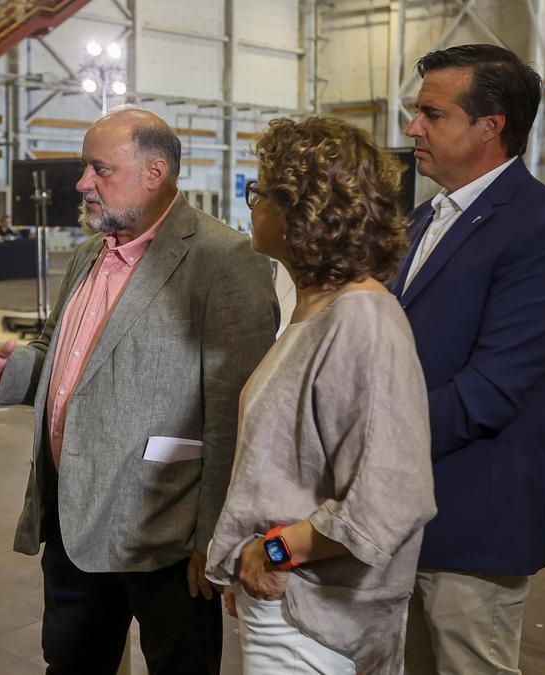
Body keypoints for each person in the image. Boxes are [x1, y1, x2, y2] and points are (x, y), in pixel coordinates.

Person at [0, 106, 279, 675]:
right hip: (73, 519)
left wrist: (212, 535)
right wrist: (12, 375)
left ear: (154, 172)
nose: (82, 183)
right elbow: (62, 356)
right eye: (84, 168)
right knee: (73, 663)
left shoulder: (223, 260)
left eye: (99, 169)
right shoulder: (86, 255)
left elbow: (234, 414)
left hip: (166, 532)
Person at [205, 116, 437, 675]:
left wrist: (274, 552)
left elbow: (391, 499)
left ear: (300, 210)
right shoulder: (319, 309)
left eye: (260, 191)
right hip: (291, 607)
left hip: (315, 615)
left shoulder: (362, 318)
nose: (252, 204)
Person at [395, 44, 545, 674]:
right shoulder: (423, 218)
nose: (412, 128)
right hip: (397, 516)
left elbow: (492, 389)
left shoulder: (543, 227)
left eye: (432, 113)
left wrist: (375, 446)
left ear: (491, 125)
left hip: (471, 522)